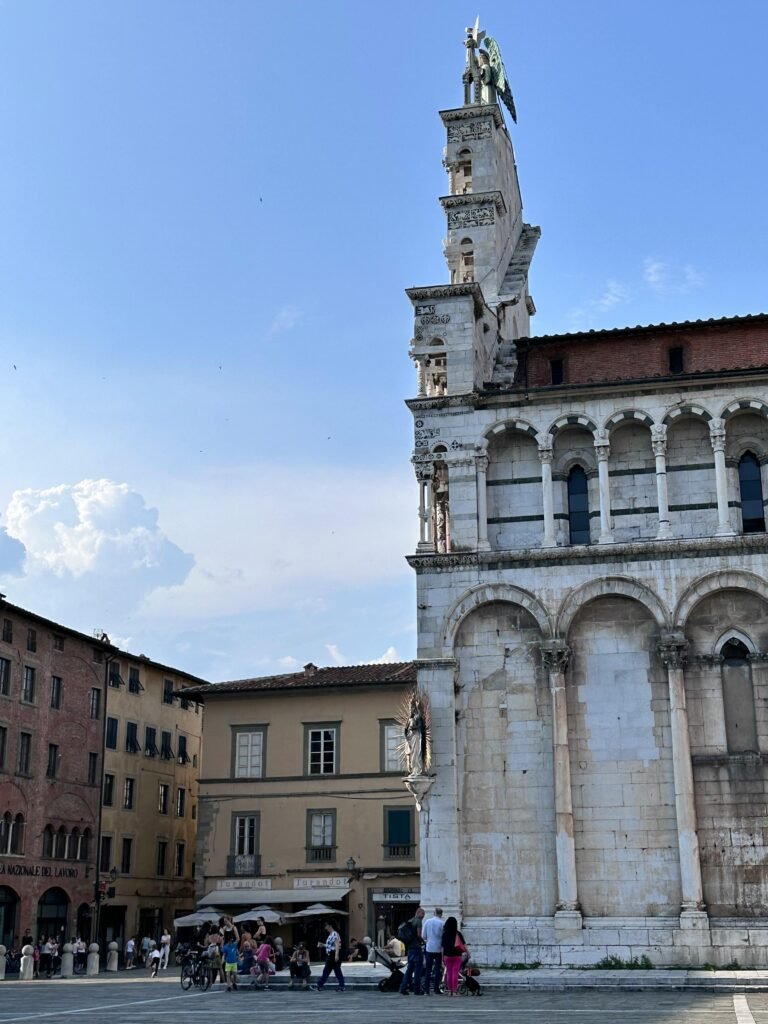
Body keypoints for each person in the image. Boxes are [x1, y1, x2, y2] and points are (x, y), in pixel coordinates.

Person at [398, 907, 425, 995]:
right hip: (416, 948)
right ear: (418, 912)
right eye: (422, 914)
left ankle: (403, 987)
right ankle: (417, 989)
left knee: (409, 969)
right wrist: (423, 941)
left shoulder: (410, 921)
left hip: (409, 948)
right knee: (418, 969)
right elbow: (419, 935)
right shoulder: (418, 921)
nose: (423, 916)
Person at [315, 920, 345, 993]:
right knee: (336, 971)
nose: (325, 928)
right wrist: (323, 945)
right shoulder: (331, 934)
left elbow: (337, 945)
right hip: (331, 954)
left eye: (326, 926)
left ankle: (319, 985)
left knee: (327, 971)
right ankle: (341, 986)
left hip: (333, 954)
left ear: (330, 926)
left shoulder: (334, 934)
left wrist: (336, 955)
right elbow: (331, 945)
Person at [441, 915, 467, 997]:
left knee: (449, 973)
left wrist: (442, 957)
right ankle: (455, 991)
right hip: (457, 956)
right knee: (455, 973)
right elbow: (464, 945)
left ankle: (449, 991)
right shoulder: (458, 934)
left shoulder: (444, 934)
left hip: (447, 956)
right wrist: (467, 953)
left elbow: (442, 947)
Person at [421, 907, 444, 995]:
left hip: (429, 948)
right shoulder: (442, 923)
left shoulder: (427, 922)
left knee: (428, 969)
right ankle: (436, 989)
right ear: (441, 914)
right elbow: (443, 936)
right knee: (437, 970)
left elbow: (424, 936)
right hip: (438, 949)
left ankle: (426, 990)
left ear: (434, 913)